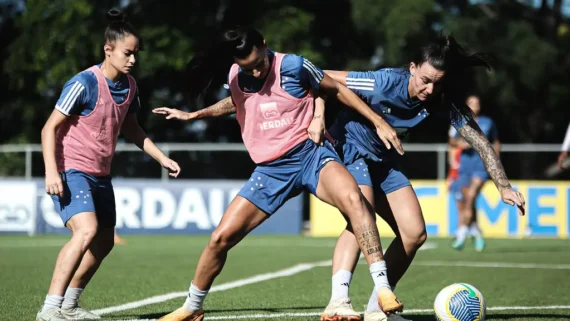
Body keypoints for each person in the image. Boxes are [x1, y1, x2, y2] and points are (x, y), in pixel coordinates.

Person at [152, 26, 405, 321]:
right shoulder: (236, 74)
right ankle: (192, 307)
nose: (256, 72)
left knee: (356, 200)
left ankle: (383, 288)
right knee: (220, 238)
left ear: (264, 44)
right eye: (248, 68)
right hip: (271, 170)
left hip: (311, 156)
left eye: (259, 64)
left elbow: (334, 88)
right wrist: (195, 114)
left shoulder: (295, 65)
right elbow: (236, 102)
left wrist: (375, 121)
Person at [317, 35, 526, 321]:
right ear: (412, 67)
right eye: (426, 80)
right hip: (350, 148)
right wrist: (316, 114)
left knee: (414, 234)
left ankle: (377, 309)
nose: (430, 89)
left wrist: (504, 186)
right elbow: (320, 77)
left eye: (438, 82)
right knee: (360, 216)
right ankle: (338, 301)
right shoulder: (382, 82)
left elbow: (481, 142)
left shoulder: (441, 98)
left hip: (385, 160)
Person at [38, 9, 180, 321]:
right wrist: (51, 171)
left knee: (104, 243)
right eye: (127, 53)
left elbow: (133, 131)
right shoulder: (83, 83)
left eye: (136, 54)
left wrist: (162, 158)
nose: (132, 60)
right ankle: (49, 309)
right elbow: (49, 128)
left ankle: (70, 306)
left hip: (100, 175)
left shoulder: (130, 88)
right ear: (108, 49)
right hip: (70, 169)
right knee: (86, 231)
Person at [448, 95, 500, 251]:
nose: (474, 106)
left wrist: (496, 162)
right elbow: (452, 141)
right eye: (471, 103)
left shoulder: (487, 122)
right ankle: (477, 233)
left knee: (471, 196)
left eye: (476, 103)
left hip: (481, 167)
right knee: (468, 201)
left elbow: (496, 141)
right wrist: (461, 143)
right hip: (464, 168)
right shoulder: (460, 122)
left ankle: (462, 232)